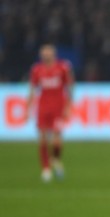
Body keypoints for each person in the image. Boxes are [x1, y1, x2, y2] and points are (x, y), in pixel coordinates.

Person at [25, 44, 74, 182]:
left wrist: (68, 106)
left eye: (48, 53)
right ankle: (46, 169)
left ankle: (56, 160)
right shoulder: (37, 70)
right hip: (43, 107)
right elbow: (33, 90)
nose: (46, 56)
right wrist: (27, 109)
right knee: (43, 138)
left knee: (56, 140)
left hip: (58, 107)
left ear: (54, 54)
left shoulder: (63, 67)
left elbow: (69, 87)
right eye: (44, 54)